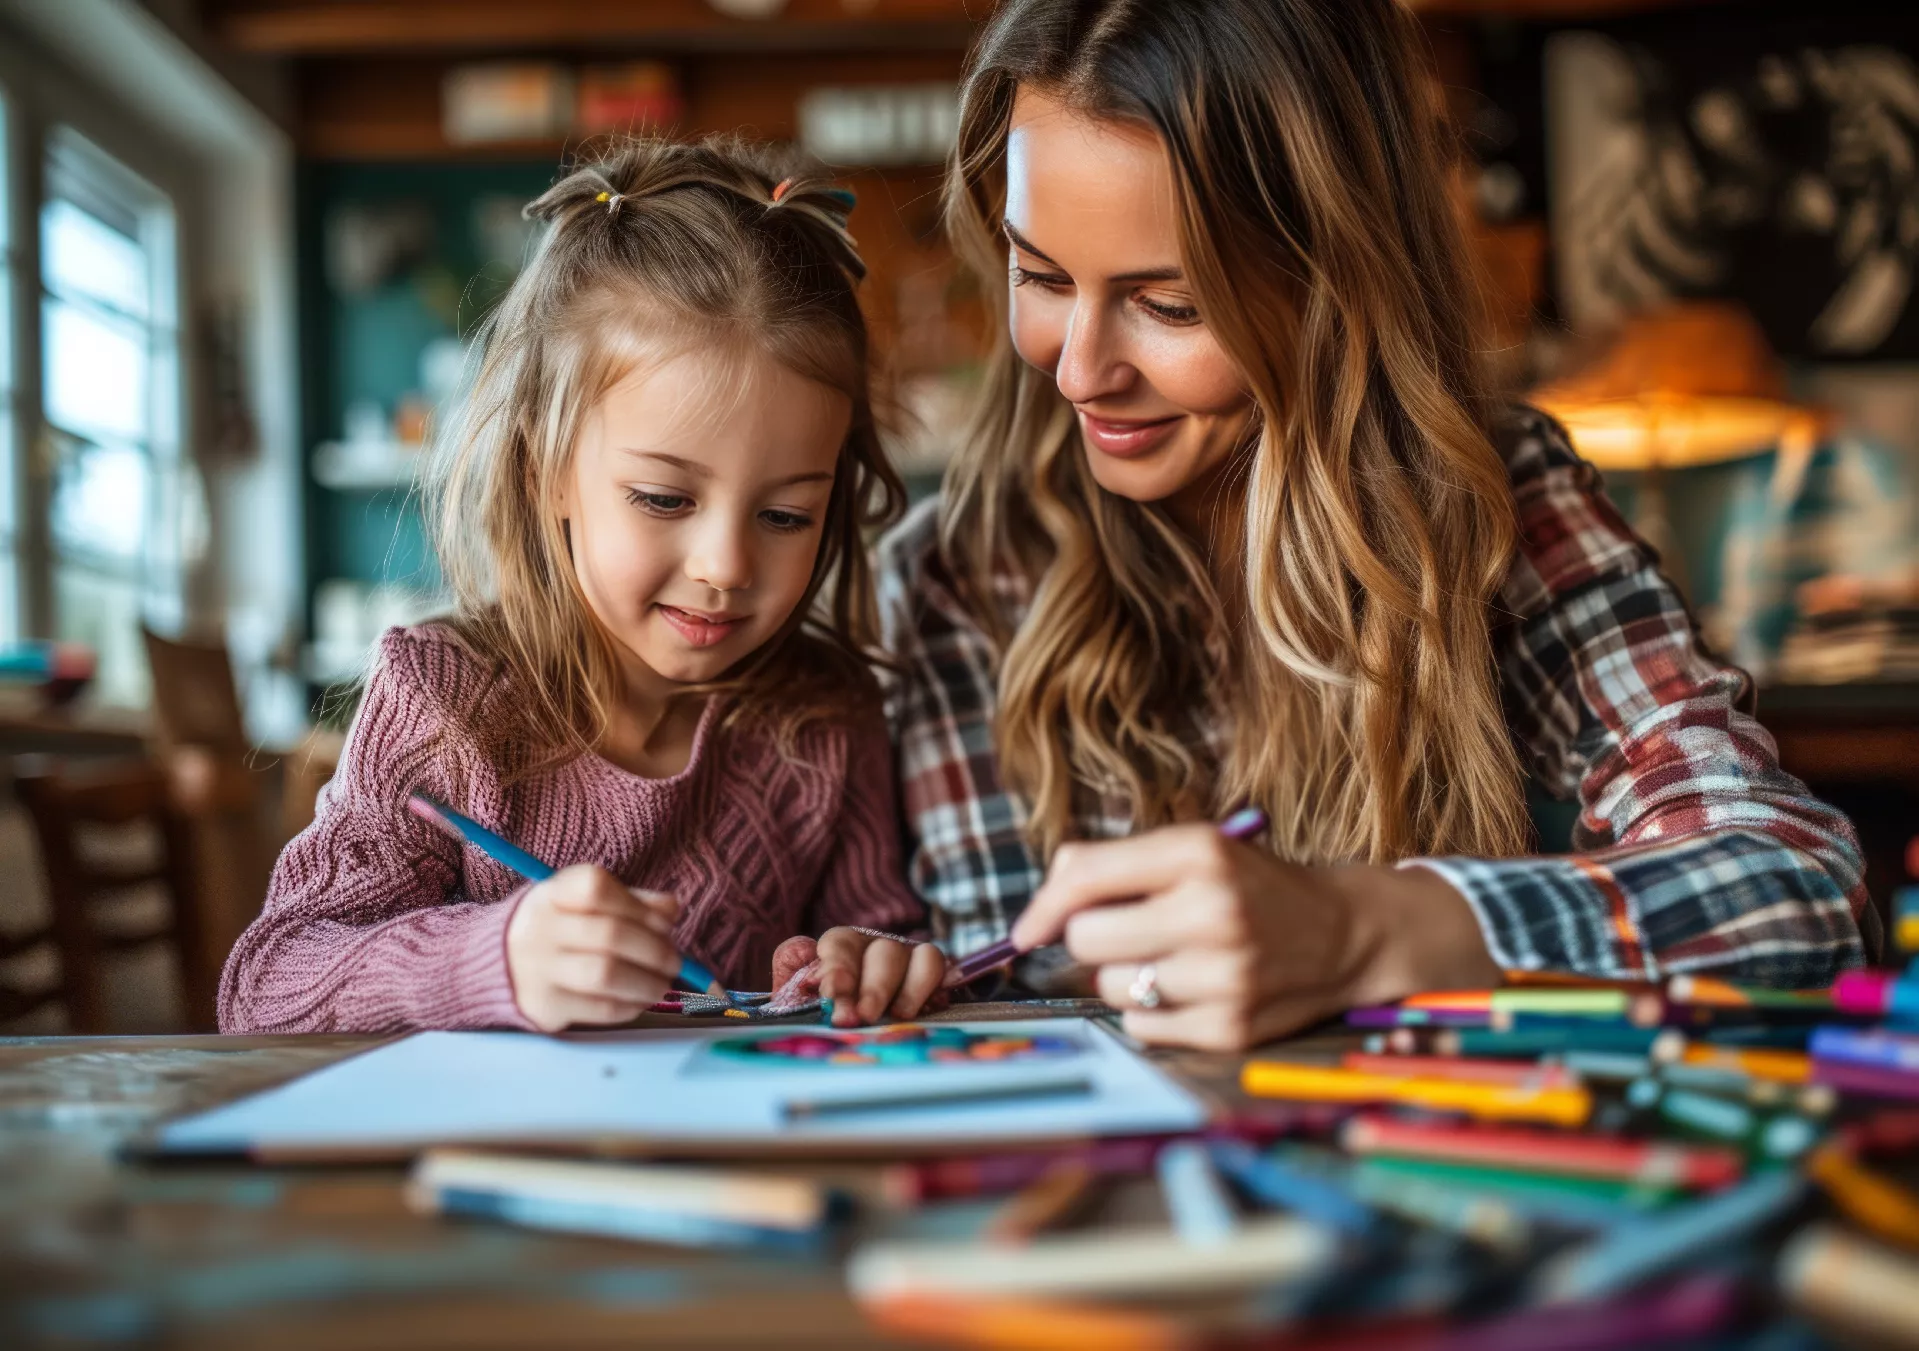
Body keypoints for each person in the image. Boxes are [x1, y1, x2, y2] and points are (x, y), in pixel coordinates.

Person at [878, 0, 1876, 1051]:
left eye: (1169, 306)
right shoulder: (954, 575)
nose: (1078, 371)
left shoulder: (1499, 501)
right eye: (1038, 277)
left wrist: (1371, 929)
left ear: (1332, 279)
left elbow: (1794, 887)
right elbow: (995, 1010)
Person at [222, 138, 944, 1034]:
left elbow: (884, 933)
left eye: (787, 515)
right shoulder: (444, 698)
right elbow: (265, 987)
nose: (725, 566)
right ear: (544, 470)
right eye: (662, 497)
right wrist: (494, 958)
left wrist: (868, 959)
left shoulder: (826, 714)